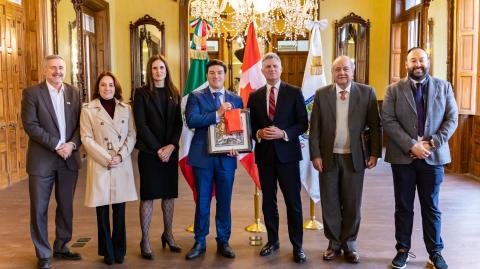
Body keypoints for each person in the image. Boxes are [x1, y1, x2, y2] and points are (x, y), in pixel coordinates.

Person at [382, 47, 458, 269]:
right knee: (403, 207)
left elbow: (452, 119)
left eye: (421, 60)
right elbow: (388, 120)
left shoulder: (444, 87)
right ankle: (403, 250)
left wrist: (432, 142)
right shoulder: (393, 90)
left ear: (428, 61)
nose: (418, 64)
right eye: (413, 60)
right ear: (406, 64)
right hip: (403, 158)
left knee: (431, 206)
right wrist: (411, 145)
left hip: (433, 157)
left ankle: (435, 253)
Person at [309, 55, 382, 264]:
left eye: (345, 69)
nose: (341, 73)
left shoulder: (367, 93)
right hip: (328, 157)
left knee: (352, 203)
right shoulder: (322, 94)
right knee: (330, 202)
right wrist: (315, 154)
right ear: (332, 73)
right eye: (337, 69)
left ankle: (349, 244)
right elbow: (314, 128)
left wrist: (375, 153)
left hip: (355, 157)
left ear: (352, 71)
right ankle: (333, 244)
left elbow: (375, 126)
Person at [21, 55, 82, 269]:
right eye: (53, 68)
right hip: (42, 160)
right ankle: (43, 253)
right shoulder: (31, 94)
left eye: (61, 67)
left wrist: (72, 145)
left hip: (69, 160)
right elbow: (31, 125)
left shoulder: (74, 93)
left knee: (66, 206)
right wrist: (58, 145)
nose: (57, 71)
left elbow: (80, 126)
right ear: (45, 70)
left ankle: (62, 246)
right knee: (39, 208)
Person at [247, 52, 308, 263]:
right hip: (264, 157)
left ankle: (298, 246)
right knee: (268, 202)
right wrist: (258, 134)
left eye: (275, 66)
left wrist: (284, 133)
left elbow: (303, 123)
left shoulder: (294, 92)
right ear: (262, 71)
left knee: (293, 203)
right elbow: (250, 126)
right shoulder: (254, 96)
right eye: (268, 67)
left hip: (288, 156)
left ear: (281, 69)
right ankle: (272, 241)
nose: (272, 70)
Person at [184, 59, 242, 260]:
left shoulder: (236, 99)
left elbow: (239, 129)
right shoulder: (196, 97)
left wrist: (237, 145)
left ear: (225, 75)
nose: (216, 76)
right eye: (212, 73)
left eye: (219, 73)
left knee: (224, 201)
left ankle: (223, 240)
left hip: (227, 159)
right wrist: (217, 114)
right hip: (203, 158)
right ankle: (199, 241)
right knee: (202, 201)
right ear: (207, 76)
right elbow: (192, 121)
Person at [80, 71, 137, 265]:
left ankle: (120, 250)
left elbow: (132, 134)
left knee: (120, 210)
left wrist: (120, 155)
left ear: (116, 87)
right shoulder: (88, 109)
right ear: (98, 88)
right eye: (103, 85)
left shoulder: (126, 109)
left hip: (121, 163)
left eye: (111, 85)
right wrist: (107, 158)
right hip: (100, 163)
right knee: (102, 210)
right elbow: (86, 138)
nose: (107, 88)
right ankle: (107, 251)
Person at [133, 55, 183, 259]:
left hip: (170, 152)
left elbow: (179, 123)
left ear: (166, 70)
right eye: (154, 68)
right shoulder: (141, 93)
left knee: (169, 195)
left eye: (162, 67)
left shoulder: (174, 92)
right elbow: (141, 125)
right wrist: (158, 149)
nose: (158, 71)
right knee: (148, 195)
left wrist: (171, 146)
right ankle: (145, 239)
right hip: (149, 153)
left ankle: (168, 234)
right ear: (149, 71)